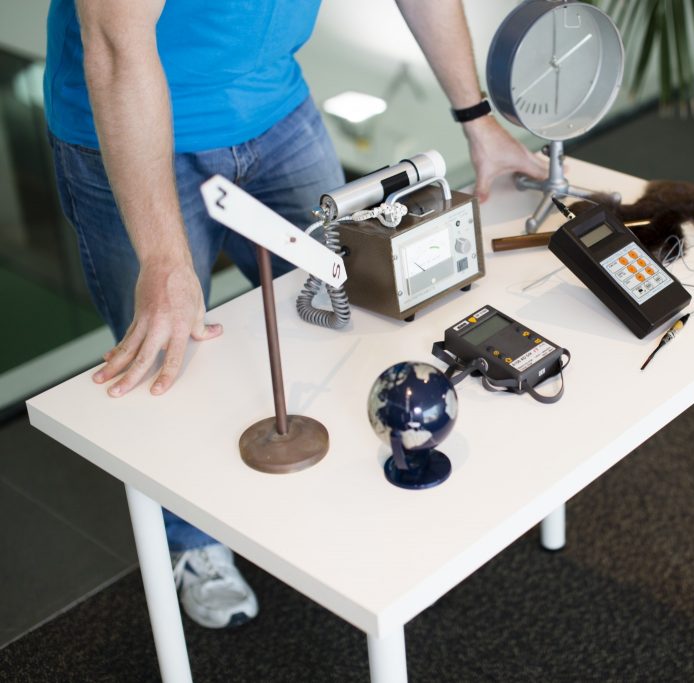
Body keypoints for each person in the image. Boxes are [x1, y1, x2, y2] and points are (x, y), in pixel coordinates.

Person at [44, 0, 546, 629]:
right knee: (165, 354)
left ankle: (341, 497)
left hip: (276, 112)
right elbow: (117, 46)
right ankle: (192, 544)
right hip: (130, 129)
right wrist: (164, 258)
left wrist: (476, 117)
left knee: (350, 305)